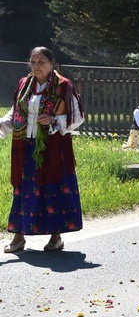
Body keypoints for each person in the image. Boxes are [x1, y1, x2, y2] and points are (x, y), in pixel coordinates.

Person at [0, 47, 84, 253]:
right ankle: (18, 237)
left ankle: (56, 238)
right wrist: (2, 125)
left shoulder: (64, 86)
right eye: (33, 62)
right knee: (23, 189)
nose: (36, 66)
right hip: (26, 147)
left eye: (41, 62)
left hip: (53, 147)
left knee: (53, 188)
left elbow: (78, 116)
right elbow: (16, 113)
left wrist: (54, 120)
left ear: (52, 64)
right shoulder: (24, 84)